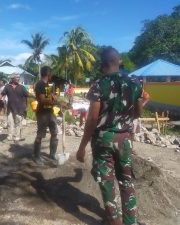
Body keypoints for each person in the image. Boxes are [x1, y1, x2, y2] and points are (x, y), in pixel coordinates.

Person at [76, 47, 145, 225]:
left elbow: (92, 119)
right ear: (119, 61)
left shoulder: (99, 85)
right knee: (126, 180)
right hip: (125, 140)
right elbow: (137, 113)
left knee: (106, 181)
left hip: (103, 140)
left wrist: (82, 146)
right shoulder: (135, 82)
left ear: (103, 64)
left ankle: (114, 222)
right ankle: (130, 221)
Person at [0, 73, 33, 141]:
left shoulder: (21, 87)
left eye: (19, 77)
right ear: (12, 78)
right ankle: (10, 136)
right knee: (10, 122)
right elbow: (1, 95)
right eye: (16, 77)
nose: (18, 78)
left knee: (18, 122)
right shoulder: (7, 87)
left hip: (19, 108)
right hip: (10, 108)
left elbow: (27, 95)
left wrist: (35, 96)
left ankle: (17, 136)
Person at [33, 66, 59, 165]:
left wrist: (54, 97)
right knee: (40, 135)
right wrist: (57, 103)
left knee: (54, 133)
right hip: (42, 113)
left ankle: (52, 154)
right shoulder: (40, 84)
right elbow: (42, 100)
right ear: (48, 74)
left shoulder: (48, 85)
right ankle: (36, 156)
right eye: (51, 74)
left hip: (50, 112)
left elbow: (49, 97)